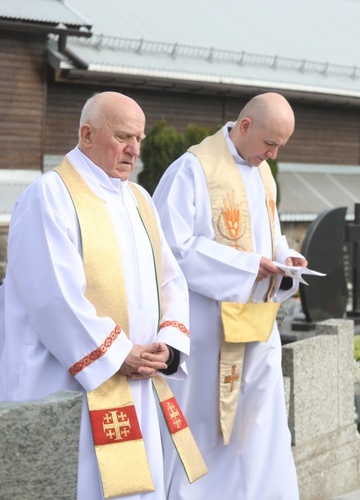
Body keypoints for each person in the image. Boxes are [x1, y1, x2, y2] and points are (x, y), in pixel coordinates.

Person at [0, 92, 205, 499]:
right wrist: (117, 354)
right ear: (87, 134)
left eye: (140, 139)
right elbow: (54, 299)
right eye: (124, 136)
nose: (134, 150)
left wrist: (168, 344)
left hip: (138, 378)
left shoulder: (139, 199)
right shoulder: (50, 196)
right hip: (74, 381)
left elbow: (171, 281)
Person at [153, 92, 307, 499]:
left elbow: (268, 235)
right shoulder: (192, 170)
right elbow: (169, 248)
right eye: (270, 144)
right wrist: (246, 267)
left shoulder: (262, 173)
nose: (272, 155)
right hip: (207, 328)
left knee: (259, 423)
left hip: (255, 324)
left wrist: (285, 256)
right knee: (204, 423)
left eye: (279, 147)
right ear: (245, 126)